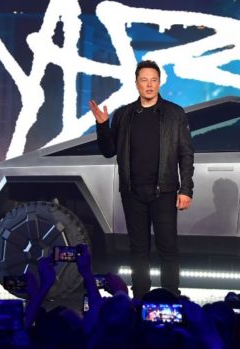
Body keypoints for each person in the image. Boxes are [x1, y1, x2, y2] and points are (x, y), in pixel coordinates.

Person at [90, 60, 194, 299]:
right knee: (138, 250)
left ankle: (170, 297)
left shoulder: (174, 113)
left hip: (165, 191)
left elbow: (186, 153)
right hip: (132, 192)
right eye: (144, 80)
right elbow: (108, 150)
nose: (149, 85)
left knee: (168, 249)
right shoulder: (124, 114)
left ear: (160, 82)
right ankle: (139, 299)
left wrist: (186, 188)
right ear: (136, 83)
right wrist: (102, 126)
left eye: (154, 80)